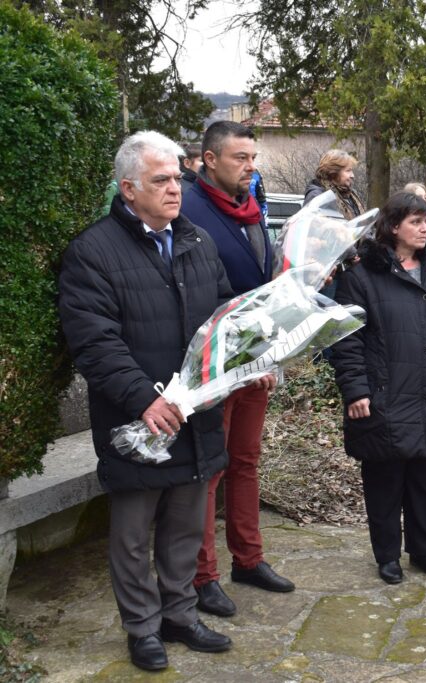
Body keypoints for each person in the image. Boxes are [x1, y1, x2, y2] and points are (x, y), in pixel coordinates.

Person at [59, 131, 234, 671]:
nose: (175, 188)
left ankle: (179, 614)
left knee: (185, 526)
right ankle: (142, 628)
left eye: (178, 177)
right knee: (134, 534)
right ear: (128, 188)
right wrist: (142, 399)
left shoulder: (197, 242)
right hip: (138, 421)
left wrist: (250, 361)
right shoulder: (93, 251)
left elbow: (225, 314)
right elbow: (93, 340)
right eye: (161, 180)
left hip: (195, 414)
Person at [330, 192, 426, 585]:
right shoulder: (362, 275)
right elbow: (346, 340)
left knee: (423, 481)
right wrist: (356, 390)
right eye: (416, 221)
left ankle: (424, 550)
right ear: (393, 225)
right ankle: (387, 555)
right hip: (385, 394)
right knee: (384, 483)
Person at [181, 121, 293, 618]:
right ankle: (201, 576)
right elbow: (197, 289)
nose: (251, 166)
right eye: (239, 158)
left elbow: (257, 282)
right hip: (212, 361)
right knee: (210, 468)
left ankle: (248, 560)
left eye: (253, 157)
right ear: (208, 159)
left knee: (245, 461)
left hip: (255, 358)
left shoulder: (251, 207)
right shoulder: (188, 208)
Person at [304, 149, 365, 219]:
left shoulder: (349, 195)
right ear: (333, 173)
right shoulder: (318, 196)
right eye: (348, 171)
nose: (352, 175)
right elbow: (316, 226)